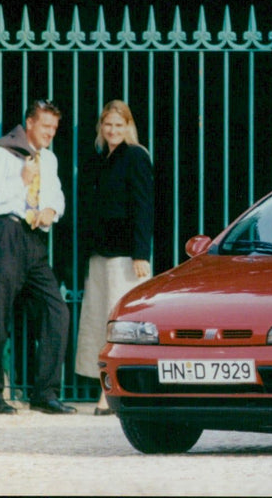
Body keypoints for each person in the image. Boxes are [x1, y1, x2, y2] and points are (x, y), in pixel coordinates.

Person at [0, 98, 76, 414]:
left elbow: (57, 195)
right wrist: (20, 182)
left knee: (56, 311)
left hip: (34, 240)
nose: (50, 133)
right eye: (46, 126)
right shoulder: (0, 154)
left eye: (54, 128)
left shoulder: (50, 159)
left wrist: (51, 210)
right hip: (6, 233)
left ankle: (45, 394)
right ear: (29, 123)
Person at [75, 100, 154, 414]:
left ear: (128, 127)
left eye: (119, 125)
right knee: (98, 321)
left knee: (119, 322)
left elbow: (144, 206)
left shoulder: (136, 156)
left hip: (124, 256)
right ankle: (104, 391)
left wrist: (140, 253)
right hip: (99, 254)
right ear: (100, 127)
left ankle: (117, 394)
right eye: (108, 124)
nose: (113, 130)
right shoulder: (98, 160)